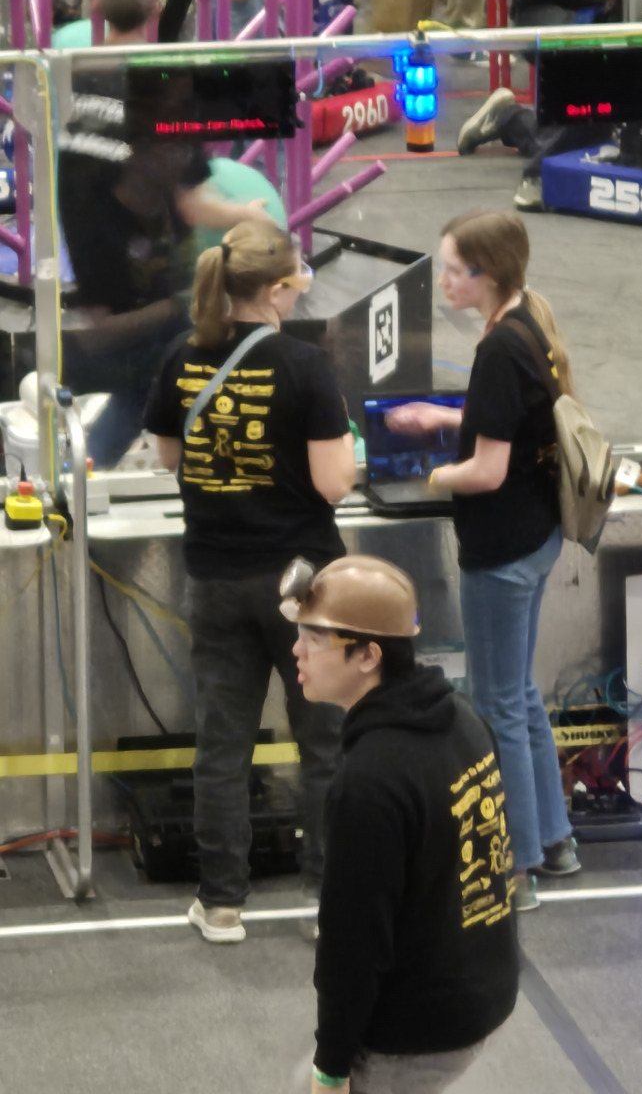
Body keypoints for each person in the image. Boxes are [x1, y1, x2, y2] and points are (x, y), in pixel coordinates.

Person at [143, 220, 357, 944]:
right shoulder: (305, 366)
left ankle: (222, 902)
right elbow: (334, 484)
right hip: (303, 583)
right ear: (277, 290)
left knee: (222, 747)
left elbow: (168, 455)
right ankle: (328, 900)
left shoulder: (181, 356)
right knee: (323, 744)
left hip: (215, 577)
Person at [386, 210, 579, 913]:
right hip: (538, 536)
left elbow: (488, 471)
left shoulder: (497, 350)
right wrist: (446, 419)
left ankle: (515, 867)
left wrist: (429, 478)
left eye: (452, 270)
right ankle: (554, 840)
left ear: (486, 274)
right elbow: (511, 419)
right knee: (520, 694)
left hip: (500, 551)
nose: (442, 281)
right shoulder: (530, 322)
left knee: (497, 704)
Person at [278, 554, 519, 1093]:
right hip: (487, 986)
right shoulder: (464, 718)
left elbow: (353, 944)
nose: (297, 651)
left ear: (368, 655)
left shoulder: (370, 782)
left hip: (421, 1026)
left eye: (314, 639)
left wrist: (331, 1068)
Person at [59, 0, 274, 468]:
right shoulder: (161, 85)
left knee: (140, 398)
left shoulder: (79, 72)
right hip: (149, 289)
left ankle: (81, 473)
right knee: (181, 390)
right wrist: (248, 216)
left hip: (94, 281)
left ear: (96, 4)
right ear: (158, 7)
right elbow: (191, 205)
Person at [455, 0, 632, 208]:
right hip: (543, 15)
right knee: (592, 82)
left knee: (600, 123)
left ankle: (508, 119)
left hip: (598, 17)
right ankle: (539, 176)